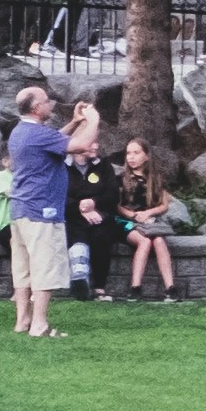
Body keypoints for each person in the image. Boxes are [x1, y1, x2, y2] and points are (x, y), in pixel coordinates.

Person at [2, 84, 73, 339]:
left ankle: (22, 320)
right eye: (46, 101)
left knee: (22, 268)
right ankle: (40, 324)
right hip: (42, 210)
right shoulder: (38, 134)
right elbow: (80, 145)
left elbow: (57, 143)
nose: (50, 104)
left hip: (20, 210)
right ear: (36, 108)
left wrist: (74, 121)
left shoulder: (20, 132)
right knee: (44, 267)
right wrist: (92, 119)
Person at [65, 111, 127, 301]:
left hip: (101, 216)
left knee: (102, 236)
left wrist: (94, 203)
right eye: (91, 141)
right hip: (73, 216)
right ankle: (79, 279)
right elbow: (59, 194)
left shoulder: (103, 165)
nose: (96, 145)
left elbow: (113, 193)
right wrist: (80, 207)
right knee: (76, 235)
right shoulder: (63, 166)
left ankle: (100, 287)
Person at [114, 139, 184, 298]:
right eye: (128, 153)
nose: (131, 157)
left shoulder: (156, 178)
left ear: (146, 156)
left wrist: (149, 213)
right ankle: (135, 288)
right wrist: (131, 215)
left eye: (136, 153)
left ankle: (170, 288)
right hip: (125, 222)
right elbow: (115, 205)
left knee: (158, 240)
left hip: (149, 222)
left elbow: (164, 205)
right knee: (145, 241)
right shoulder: (120, 179)